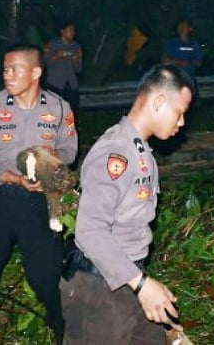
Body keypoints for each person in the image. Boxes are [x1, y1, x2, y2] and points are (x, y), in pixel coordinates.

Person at [60, 65, 193, 344]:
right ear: (158, 102)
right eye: (179, 112)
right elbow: (90, 232)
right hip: (98, 288)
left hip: (127, 277)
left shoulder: (140, 151)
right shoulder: (115, 153)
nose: (181, 122)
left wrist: (141, 283)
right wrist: (142, 285)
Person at [0, 45, 78, 344]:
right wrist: (14, 178)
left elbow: (70, 148)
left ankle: (60, 323)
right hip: (1, 199)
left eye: (14, 69)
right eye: (4, 69)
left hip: (39, 203)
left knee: (45, 272)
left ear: (36, 72)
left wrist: (54, 161)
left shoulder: (59, 108)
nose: (7, 75)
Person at [44, 20, 83, 113]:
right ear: (63, 31)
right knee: (53, 112)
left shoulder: (76, 46)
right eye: (70, 30)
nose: (72, 33)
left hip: (71, 84)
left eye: (73, 30)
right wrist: (57, 56)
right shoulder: (52, 44)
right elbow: (45, 63)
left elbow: (78, 70)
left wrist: (77, 60)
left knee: (72, 111)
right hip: (55, 83)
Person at [162, 19, 203, 96]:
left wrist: (189, 62)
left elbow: (199, 63)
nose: (181, 28)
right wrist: (178, 62)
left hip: (189, 80)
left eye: (184, 26)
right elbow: (164, 61)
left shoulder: (194, 44)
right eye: (180, 26)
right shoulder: (172, 43)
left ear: (189, 29)